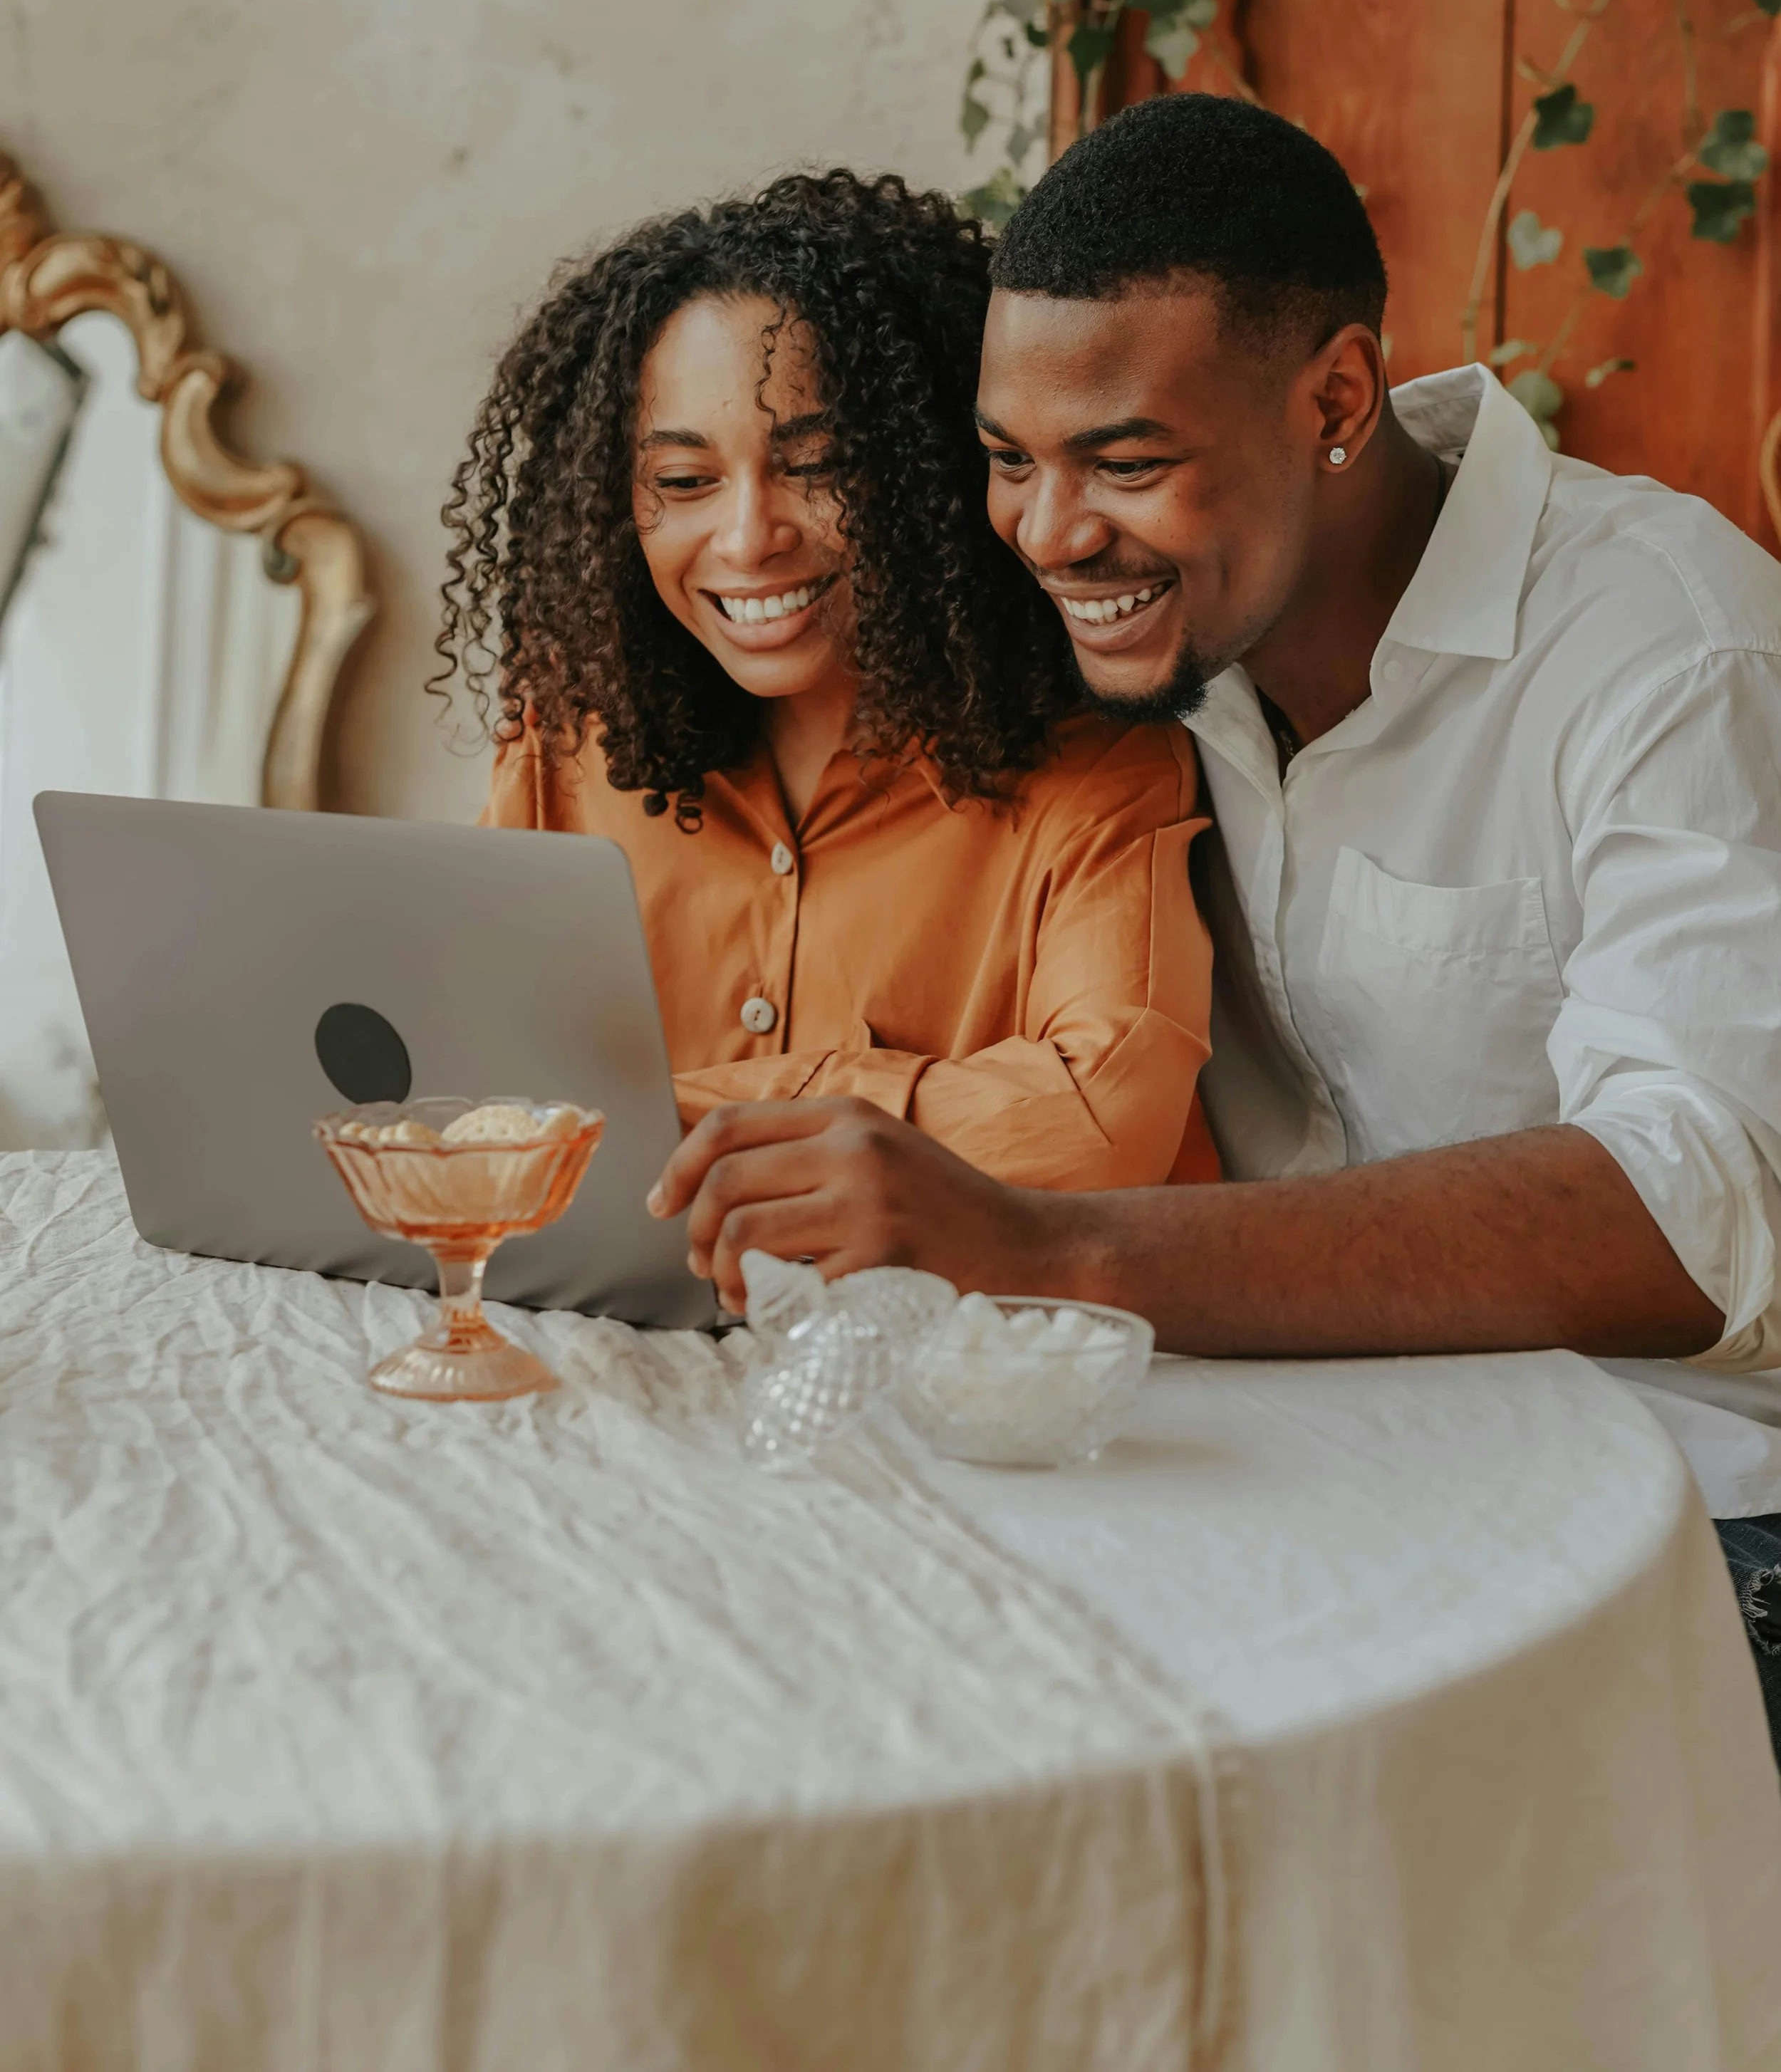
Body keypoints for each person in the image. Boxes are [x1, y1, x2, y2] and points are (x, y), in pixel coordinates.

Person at [650, 95, 1781, 1756]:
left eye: (1124, 461)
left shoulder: (1670, 654)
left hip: (1679, 1528)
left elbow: (1698, 1205)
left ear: (1333, 399)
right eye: (1006, 461)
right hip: (1259, 1468)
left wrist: (1042, 1247)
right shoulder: (1141, 635)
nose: (1047, 534)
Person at [439, 166, 1217, 1192]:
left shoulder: (1102, 768)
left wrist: (660, 1116)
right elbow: (467, 1084)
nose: (749, 537)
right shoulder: (564, 743)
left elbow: (1093, 1123)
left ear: (923, 469)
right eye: (683, 481)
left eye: (817, 465)